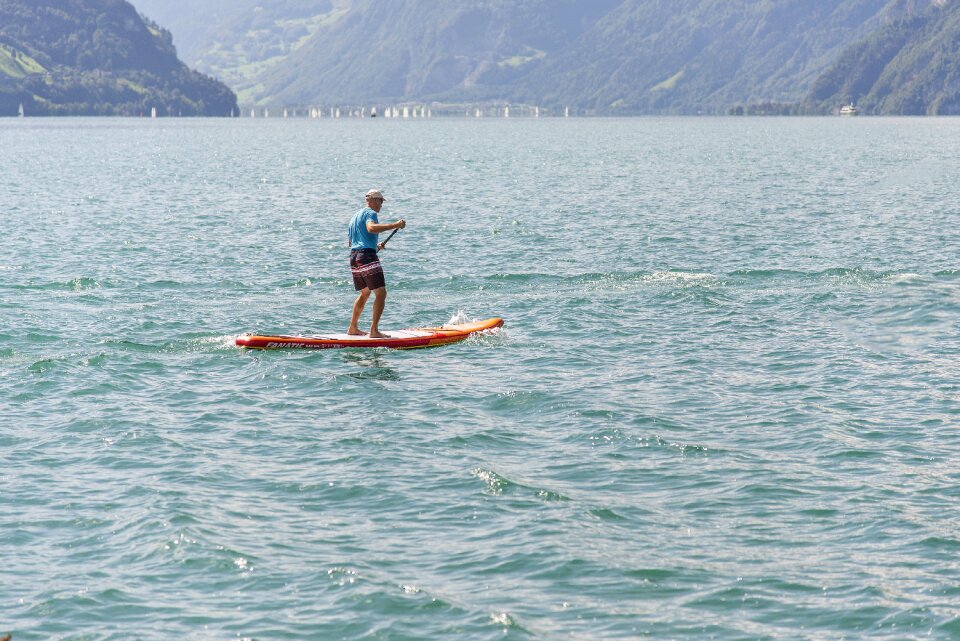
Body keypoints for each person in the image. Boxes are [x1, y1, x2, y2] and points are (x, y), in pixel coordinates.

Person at [346, 189, 406, 338]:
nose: (381, 205)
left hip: (354, 256)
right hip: (366, 256)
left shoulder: (354, 216)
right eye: (380, 201)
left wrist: (374, 245)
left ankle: (353, 328)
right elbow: (371, 228)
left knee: (365, 293)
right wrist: (395, 225)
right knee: (381, 293)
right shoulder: (370, 214)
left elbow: (352, 242)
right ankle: (374, 331)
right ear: (372, 200)